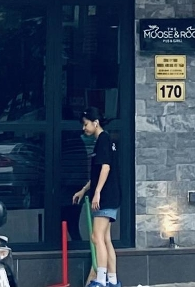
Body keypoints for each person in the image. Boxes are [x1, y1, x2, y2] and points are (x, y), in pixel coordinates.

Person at [72, 108, 121, 287]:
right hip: (110, 196)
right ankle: (113, 280)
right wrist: (84, 190)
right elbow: (97, 173)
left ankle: (100, 279)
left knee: (96, 236)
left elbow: (105, 168)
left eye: (86, 124)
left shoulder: (103, 140)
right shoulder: (105, 140)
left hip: (105, 197)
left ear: (95, 122)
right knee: (105, 239)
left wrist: (97, 192)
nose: (84, 128)